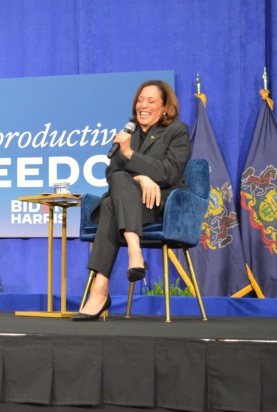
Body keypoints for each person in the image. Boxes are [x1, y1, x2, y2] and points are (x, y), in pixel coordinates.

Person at [72, 80, 190, 321]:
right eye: (139, 99)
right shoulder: (129, 132)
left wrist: (129, 155)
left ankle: (100, 290)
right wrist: (141, 179)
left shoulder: (177, 131)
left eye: (150, 100)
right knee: (113, 192)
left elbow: (170, 173)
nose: (142, 105)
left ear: (166, 107)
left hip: (159, 207)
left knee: (109, 205)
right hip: (130, 205)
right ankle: (132, 254)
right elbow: (111, 173)